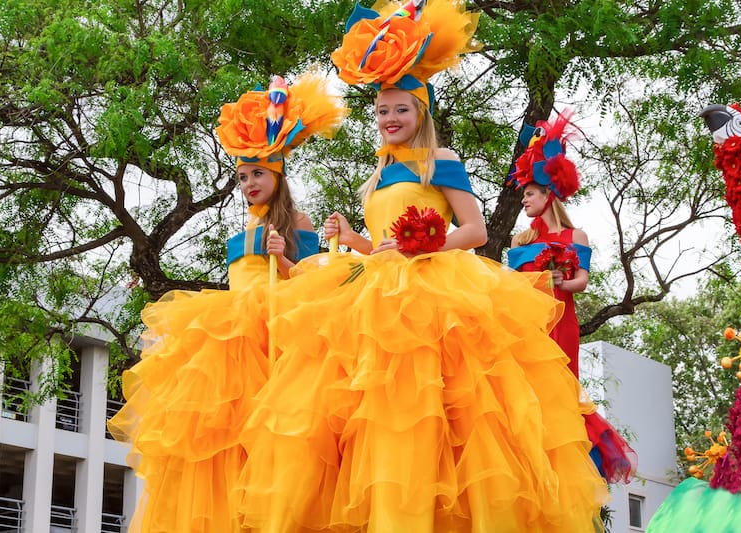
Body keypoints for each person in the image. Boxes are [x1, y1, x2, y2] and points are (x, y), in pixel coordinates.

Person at [234, 1, 608, 531]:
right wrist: (353, 239)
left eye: (400, 110)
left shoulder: (442, 160)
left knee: (443, 413)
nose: (389, 120)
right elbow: (382, 247)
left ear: (421, 113)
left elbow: (475, 233)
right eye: (383, 111)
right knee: (365, 418)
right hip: (373, 292)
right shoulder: (378, 172)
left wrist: (425, 249)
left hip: (435, 292)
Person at [107, 72, 347, 532]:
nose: (249, 183)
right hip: (232, 331)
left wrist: (287, 261)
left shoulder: (297, 219)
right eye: (242, 176)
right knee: (221, 435)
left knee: (268, 428)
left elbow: (319, 282)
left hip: (274, 326)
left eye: (257, 174)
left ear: (276, 174)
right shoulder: (242, 230)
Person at [507, 112, 638, 485]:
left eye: (529, 194)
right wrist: (537, 284)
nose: (525, 201)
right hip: (528, 325)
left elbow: (581, 281)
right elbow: (511, 287)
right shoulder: (522, 241)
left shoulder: (575, 235)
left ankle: (563, 460)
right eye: (523, 196)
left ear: (548, 195)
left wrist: (559, 282)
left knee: (560, 388)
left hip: (561, 323)